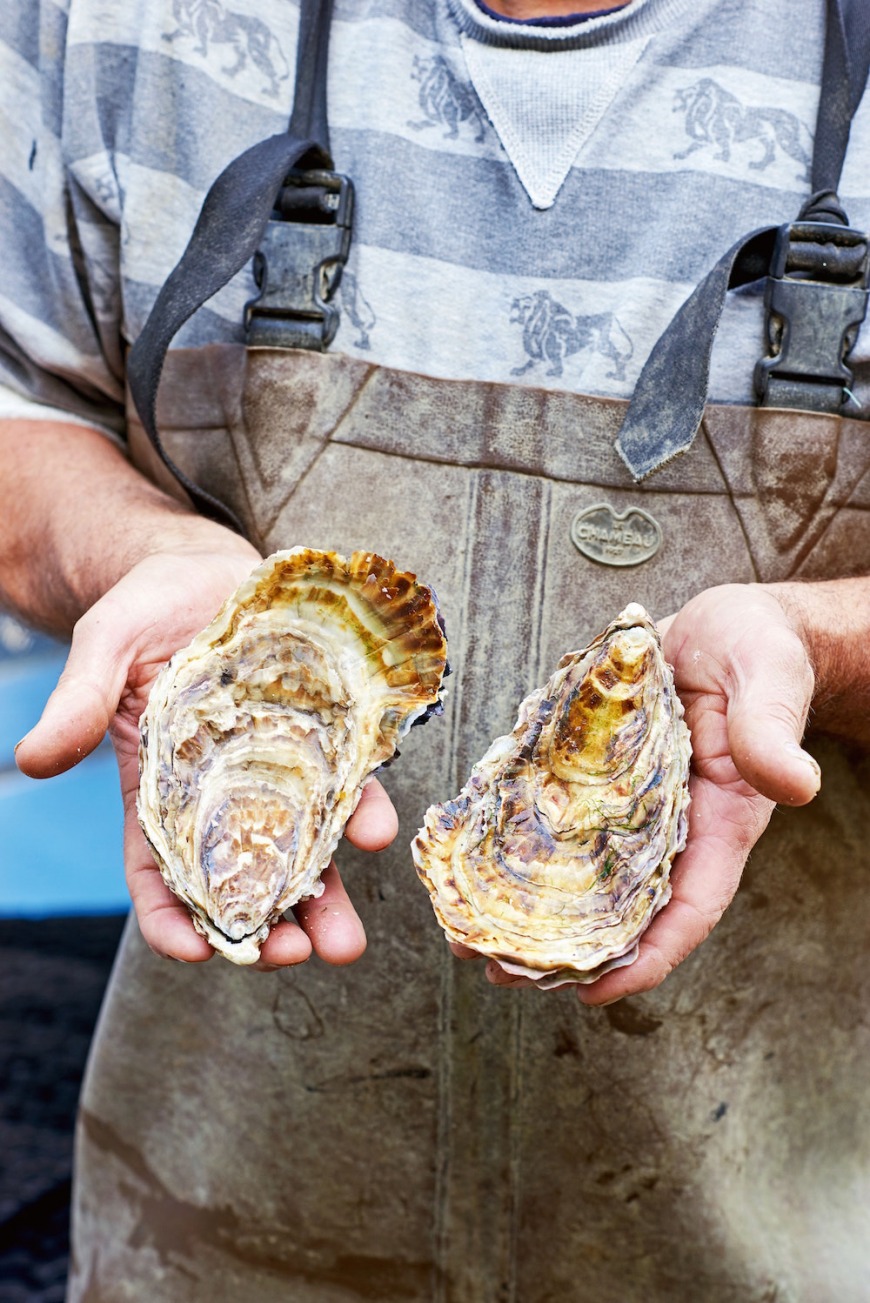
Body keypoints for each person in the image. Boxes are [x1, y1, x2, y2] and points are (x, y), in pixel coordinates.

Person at [2, 0, 869, 1296]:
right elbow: (21, 406)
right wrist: (136, 556)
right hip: (212, 1227)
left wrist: (818, 648)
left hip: (781, 1231)